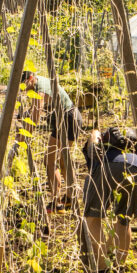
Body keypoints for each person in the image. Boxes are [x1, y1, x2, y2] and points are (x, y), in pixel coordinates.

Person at [82, 126, 137, 270]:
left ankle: (102, 268)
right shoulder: (132, 144)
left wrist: (95, 133)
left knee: (93, 217)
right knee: (124, 219)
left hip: (109, 165)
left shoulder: (96, 144)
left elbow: (93, 139)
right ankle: (119, 267)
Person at [21, 69, 83, 207]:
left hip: (67, 119)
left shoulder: (39, 89)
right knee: (62, 159)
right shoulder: (39, 82)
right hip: (71, 117)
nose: (24, 89)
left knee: (49, 159)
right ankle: (69, 197)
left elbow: (36, 115)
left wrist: (25, 136)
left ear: (30, 78)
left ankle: (56, 201)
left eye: (25, 85)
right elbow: (33, 110)